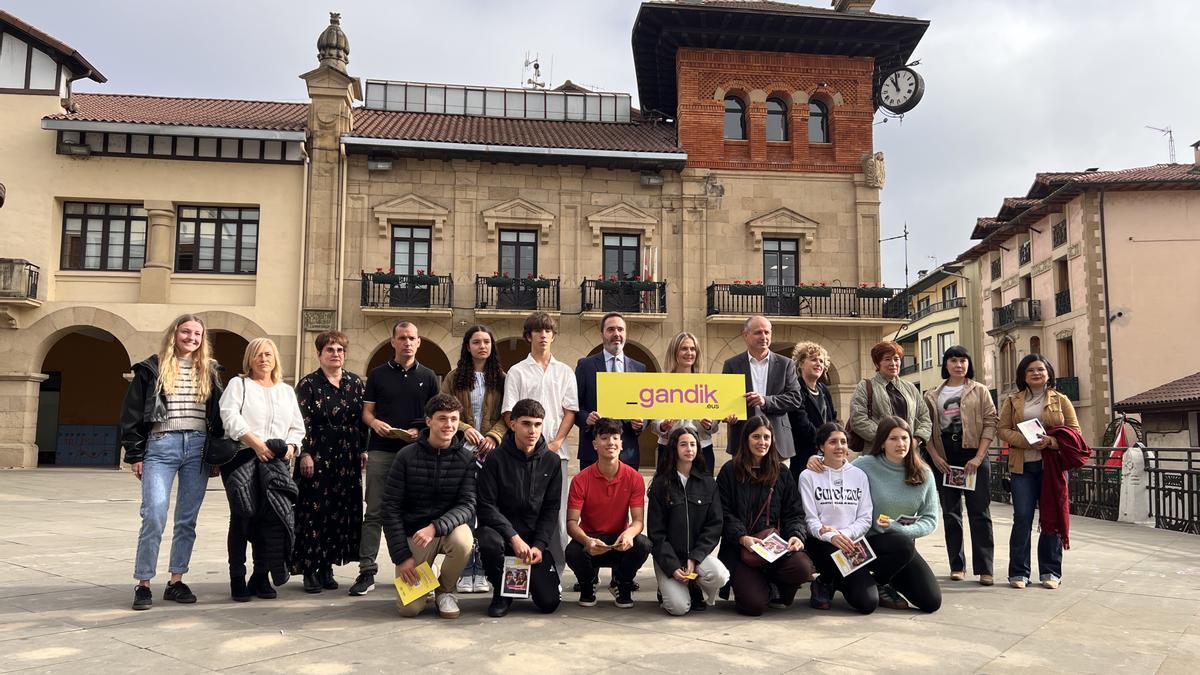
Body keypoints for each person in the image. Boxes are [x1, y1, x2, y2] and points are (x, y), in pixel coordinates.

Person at [120, 314, 225, 610]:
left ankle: (176, 581)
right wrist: (135, 454)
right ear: (174, 333)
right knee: (153, 515)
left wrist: (216, 454)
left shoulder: (212, 371)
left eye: (197, 334)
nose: (192, 337)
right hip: (160, 445)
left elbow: (219, 416)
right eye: (186, 332)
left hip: (198, 447)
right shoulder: (150, 368)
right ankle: (143, 584)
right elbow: (131, 412)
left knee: (186, 520)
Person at [352, 321, 439, 597]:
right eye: (402, 338)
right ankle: (367, 570)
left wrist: (419, 430)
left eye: (412, 338)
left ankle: (414, 571)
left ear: (418, 342)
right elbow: (367, 413)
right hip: (381, 450)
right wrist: (374, 423)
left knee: (413, 513)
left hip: (415, 453)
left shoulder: (429, 376)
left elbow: (436, 416)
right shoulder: (377, 375)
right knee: (375, 511)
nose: (407, 343)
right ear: (393, 342)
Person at [219, 338, 305, 601]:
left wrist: (291, 447)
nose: (263, 359)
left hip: (276, 462)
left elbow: (297, 427)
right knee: (243, 516)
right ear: (249, 359)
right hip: (243, 457)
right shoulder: (239, 384)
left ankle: (261, 576)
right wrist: (256, 443)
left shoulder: (285, 391)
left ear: (275, 358)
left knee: (272, 519)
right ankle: (237, 578)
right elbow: (230, 416)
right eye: (257, 355)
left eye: (268, 354)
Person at [381, 394, 476, 618]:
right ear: (428, 421)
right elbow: (390, 508)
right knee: (410, 610)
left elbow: (468, 504)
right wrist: (402, 557)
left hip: (445, 530)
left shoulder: (466, 459)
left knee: (464, 541)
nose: (449, 425)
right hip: (415, 535)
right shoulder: (406, 456)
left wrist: (435, 527)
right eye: (442, 419)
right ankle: (428, 573)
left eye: (454, 419)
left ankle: (445, 591)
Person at [502, 312, 578, 578]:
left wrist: (557, 441)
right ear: (528, 336)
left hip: (556, 454)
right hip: (522, 455)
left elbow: (570, 411)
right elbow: (509, 413)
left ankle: (555, 568)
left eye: (548, 331)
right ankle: (520, 566)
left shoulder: (565, 371)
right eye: (538, 331)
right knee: (522, 508)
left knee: (555, 513)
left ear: (553, 336)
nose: (543, 335)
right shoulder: (517, 371)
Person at [716, 415, 815, 616]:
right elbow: (723, 513)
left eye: (767, 437)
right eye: (756, 437)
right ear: (746, 439)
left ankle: (776, 583)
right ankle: (760, 586)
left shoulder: (782, 472)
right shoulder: (729, 471)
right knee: (754, 606)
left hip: (775, 548)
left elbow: (794, 512)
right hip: (741, 550)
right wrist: (742, 538)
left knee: (803, 568)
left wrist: (796, 535)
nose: (762, 442)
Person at [997, 354, 1080, 590]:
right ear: (1023, 375)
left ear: (1048, 374)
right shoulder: (1012, 401)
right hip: (1022, 465)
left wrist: (1051, 442)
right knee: (1022, 518)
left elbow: (1075, 431)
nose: (1036, 373)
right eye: (1031, 370)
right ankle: (1018, 573)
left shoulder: (1061, 399)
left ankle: (1050, 572)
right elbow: (1002, 429)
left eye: (1041, 370)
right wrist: (1026, 441)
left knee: (1050, 518)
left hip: (1051, 467)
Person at [292, 331, 366, 594]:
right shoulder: (308, 384)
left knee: (340, 511)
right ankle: (310, 568)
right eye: (330, 350)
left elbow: (361, 420)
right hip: (318, 455)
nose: (336, 354)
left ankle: (327, 567)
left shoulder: (355, 383)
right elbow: (301, 422)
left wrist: (364, 450)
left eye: (340, 350)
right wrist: (305, 453)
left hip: (348, 456)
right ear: (319, 354)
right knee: (315, 512)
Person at [475, 398, 562, 617]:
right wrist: (513, 537)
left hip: (533, 544)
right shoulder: (494, 459)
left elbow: (551, 509)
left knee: (548, 603)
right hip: (503, 538)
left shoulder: (552, 462)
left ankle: (528, 582)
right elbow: (486, 507)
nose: (532, 430)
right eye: (526, 423)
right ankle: (502, 592)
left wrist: (539, 546)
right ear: (512, 424)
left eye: (537, 424)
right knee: (486, 538)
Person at [922, 346, 998, 586]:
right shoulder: (931, 395)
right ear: (945, 364)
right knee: (951, 513)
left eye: (963, 360)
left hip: (973, 457)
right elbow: (925, 430)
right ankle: (957, 565)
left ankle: (985, 568)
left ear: (968, 364)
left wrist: (978, 457)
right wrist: (934, 457)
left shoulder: (980, 390)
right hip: (946, 458)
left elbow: (990, 422)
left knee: (980, 513)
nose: (958, 365)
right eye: (953, 360)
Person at [442, 324, 507, 595]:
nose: (482, 346)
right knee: (465, 512)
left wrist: (494, 435)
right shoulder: (454, 377)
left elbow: (508, 413)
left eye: (486, 342)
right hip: (461, 454)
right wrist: (465, 428)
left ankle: (482, 571)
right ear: (467, 346)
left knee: (487, 512)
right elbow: (443, 409)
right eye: (476, 341)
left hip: (492, 454)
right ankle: (464, 570)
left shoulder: (502, 378)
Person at [853, 416, 941, 612]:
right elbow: (835, 470)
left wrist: (899, 528)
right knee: (902, 544)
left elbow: (931, 519)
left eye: (905, 438)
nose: (900, 444)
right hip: (867, 542)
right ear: (882, 442)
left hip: (900, 546)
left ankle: (885, 580)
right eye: (893, 438)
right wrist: (815, 460)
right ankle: (874, 580)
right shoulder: (864, 465)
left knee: (931, 601)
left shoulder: (924, 473)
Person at [565, 418, 652, 608]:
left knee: (643, 544)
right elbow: (571, 522)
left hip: (619, 541)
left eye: (615, 438)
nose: (610, 442)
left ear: (622, 444)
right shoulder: (581, 479)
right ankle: (588, 584)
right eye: (604, 438)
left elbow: (638, 521)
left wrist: (628, 535)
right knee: (572, 551)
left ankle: (622, 583)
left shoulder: (634, 478)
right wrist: (587, 541)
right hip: (591, 540)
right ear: (595, 444)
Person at [647, 427, 728, 615]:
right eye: (683, 444)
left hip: (696, 557)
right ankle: (668, 587)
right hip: (669, 559)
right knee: (678, 608)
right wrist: (673, 567)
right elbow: (656, 533)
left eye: (693, 444)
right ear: (674, 448)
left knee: (720, 575)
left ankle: (695, 587)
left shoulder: (708, 483)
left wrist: (695, 557)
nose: (689, 449)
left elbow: (714, 526)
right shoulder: (661, 484)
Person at [799, 422, 876, 613]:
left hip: (851, 543)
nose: (839, 446)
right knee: (824, 551)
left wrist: (842, 534)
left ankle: (838, 580)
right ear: (821, 447)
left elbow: (865, 518)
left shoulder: (859, 475)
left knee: (867, 603)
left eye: (843, 441)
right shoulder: (808, 476)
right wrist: (831, 536)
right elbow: (810, 520)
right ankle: (824, 581)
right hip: (821, 542)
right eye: (833, 442)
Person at [721, 316, 803, 465]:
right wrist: (728, 415)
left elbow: (795, 398)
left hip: (778, 444)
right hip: (743, 442)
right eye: (758, 332)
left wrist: (766, 400)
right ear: (745, 335)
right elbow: (726, 401)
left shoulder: (786, 364)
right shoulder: (731, 365)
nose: (764, 337)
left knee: (778, 488)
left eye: (767, 332)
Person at [575, 312, 646, 469]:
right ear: (602, 334)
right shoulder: (585, 366)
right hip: (592, 451)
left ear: (625, 334)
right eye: (611, 329)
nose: (616, 334)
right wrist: (586, 418)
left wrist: (641, 423)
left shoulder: (639, 368)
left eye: (620, 329)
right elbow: (574, 407)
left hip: (628, 451)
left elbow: (645, 408)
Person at [651, 331, 720, 475]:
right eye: (684, 348)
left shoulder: (708, 384)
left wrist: (709, 424)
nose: (689, 353)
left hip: (702, 448)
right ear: (674, 352)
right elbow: (654, 424)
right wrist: (663, 426)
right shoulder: (661, 384)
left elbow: (714, 425)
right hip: (669, 447)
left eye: (692, 349)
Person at [848, 341, 932, 453]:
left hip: (908, 454)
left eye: (896, 359)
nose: (893, 363)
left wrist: (915, 440)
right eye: (887, 359)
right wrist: (887, 440)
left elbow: (925, 418)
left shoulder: (910, 388)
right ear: (877, 364)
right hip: (877, 453)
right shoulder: (865, 387)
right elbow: (858, 419)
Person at [788, 341, 839, 483]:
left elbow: (832, 419)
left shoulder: (824, 389)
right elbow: (801, 424)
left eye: (821, 361)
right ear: (801, 363)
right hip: (803, 455)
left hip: (827, 453)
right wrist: (826, 442)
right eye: (813, 359)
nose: (818, 364)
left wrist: (833, 442)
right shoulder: (795, 389)